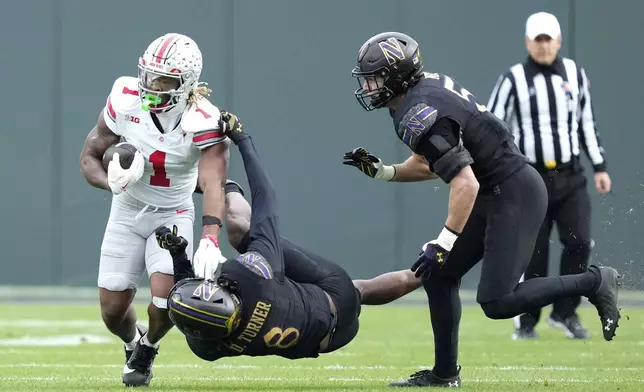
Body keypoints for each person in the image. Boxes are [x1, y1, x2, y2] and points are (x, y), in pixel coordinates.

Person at [344, 31, 621, 388]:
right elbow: (434, 163)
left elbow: (465, 182)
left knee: (497, 301)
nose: (368, 86)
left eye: (375, 77)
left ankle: (595, 281)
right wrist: (385, 172)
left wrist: (442, 242)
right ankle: (445, 374)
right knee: (439, 277)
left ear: (397, 75)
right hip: (497, 189)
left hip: (512, 190)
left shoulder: (417, 110)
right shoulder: (419, 92)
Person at [154, 111, 424, 363]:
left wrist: (179, 255)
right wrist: (243, 140)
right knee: (242, 232)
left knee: (354, 290)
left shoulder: (204, 348)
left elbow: (188, 297)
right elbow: (266, 200)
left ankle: (427, 273)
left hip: (325, 342)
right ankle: (432, 267)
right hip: (334, 299)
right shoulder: (251, 278)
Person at [79, 33, 229, 387]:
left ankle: (147, 349)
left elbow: (213, 184)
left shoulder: (203, 120)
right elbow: (88, 157)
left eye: (163, 80)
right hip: (127, 208)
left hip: (173, 212)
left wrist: (210, 237)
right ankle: (132, 341)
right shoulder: (126, 99)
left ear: (186, 84)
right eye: (147, 75)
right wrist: (110, 182)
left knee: (166, 301)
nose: (151, 85)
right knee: (112, 311)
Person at [487, 12, 612, 341]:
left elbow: (586, 122)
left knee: (580, 241)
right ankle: (527, 321)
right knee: (534, 252)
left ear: (558, 41)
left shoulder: (574, 74)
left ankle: (566, 313)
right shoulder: (513, 79)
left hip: (571, 176)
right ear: (528, 42)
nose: (543, 46)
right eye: (537, 39)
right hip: (531, 179)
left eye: (548, 39)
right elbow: (492, 125)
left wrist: (599, 166)